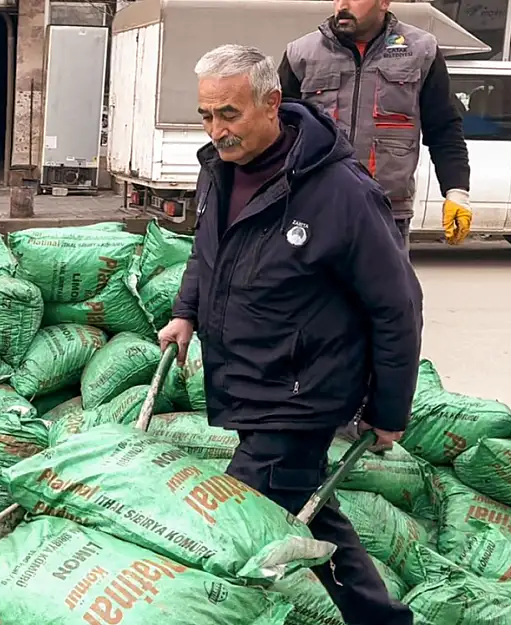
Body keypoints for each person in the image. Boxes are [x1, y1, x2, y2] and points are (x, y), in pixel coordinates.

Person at [158, 44, 421, 625]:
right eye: (206, 115)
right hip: (250, 380)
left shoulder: (340, 193)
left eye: (229, 113)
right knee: (309, 511)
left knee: (231, 517)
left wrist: (389, 407)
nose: (216, 129)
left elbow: (397, 305)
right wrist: (185, 313)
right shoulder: (218, 171)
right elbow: (210, 253)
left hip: (303, 392)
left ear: (272, 103)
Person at [277, 0, 472, 248]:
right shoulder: (302, 54)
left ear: (383, 3)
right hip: (314, 211)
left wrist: (456, 191)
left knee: (387, 288)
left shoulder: (420, 52)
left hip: (386, 213)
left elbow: (443, 127)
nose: (342, 5)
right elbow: (278, 133)